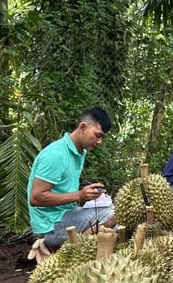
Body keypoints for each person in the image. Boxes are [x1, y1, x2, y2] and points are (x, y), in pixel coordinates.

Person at [27, 107, 116, 263]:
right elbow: (35, 197)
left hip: (67, 214)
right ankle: (62, 252)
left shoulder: (79, 152)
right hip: (51, 224)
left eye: (103, 137)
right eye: (98, 135)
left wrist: (90, 194)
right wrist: (79, 195)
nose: (100, 142)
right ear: (83, 127)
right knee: (115, 213)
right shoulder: (56, 154)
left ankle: (69, 248)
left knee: (115, 227)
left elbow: (61, 187)